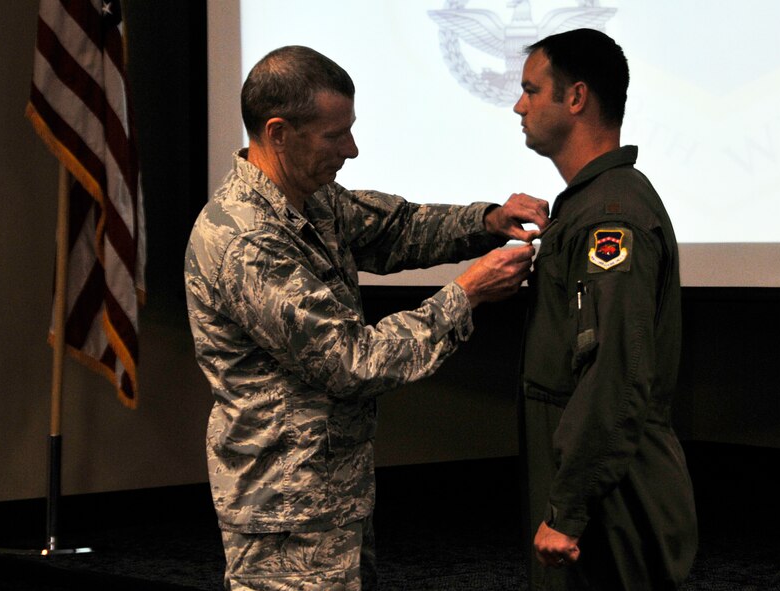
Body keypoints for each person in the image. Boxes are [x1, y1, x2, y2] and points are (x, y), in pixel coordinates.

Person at [184, 45, 549, 590]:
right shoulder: (247, 241)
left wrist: (487, 220)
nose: (351, 150)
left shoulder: (310, 200)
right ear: (279, 133)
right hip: (286, 515)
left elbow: (395, 229)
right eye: (335, 135)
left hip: (329, 494)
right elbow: (352, 361)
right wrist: (467, 295)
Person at [513, 29, 698, 590]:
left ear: (576, 99)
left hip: (613, 500)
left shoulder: (609, 217)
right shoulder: (594, 205)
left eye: (531, 90)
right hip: (600, 489)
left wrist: (567, 510)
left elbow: (616, 373)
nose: (518, 106)